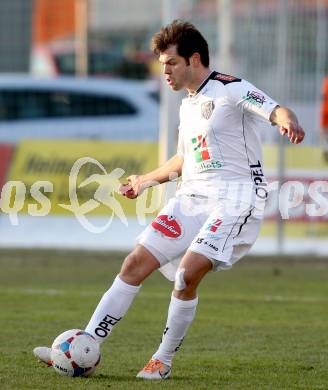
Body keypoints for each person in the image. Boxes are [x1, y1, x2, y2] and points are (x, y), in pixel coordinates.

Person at [33, 20, 305, 380]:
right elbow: (184, 159)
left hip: (236, 199)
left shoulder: (232, 89)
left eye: (170, 64)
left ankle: (162, 359)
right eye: (161, 65)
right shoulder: (187, 106)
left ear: (194, 59)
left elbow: (274, 109)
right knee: (134, 264)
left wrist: (289, 121)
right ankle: (82, 346)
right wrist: (145, 180)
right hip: (192, 197)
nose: (164, 72)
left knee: (186, 276)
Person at [320, 75, 328, 162]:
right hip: (325, 113)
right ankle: (325, 150)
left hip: (325, 113)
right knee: (324, 134)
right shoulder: (326, 81)